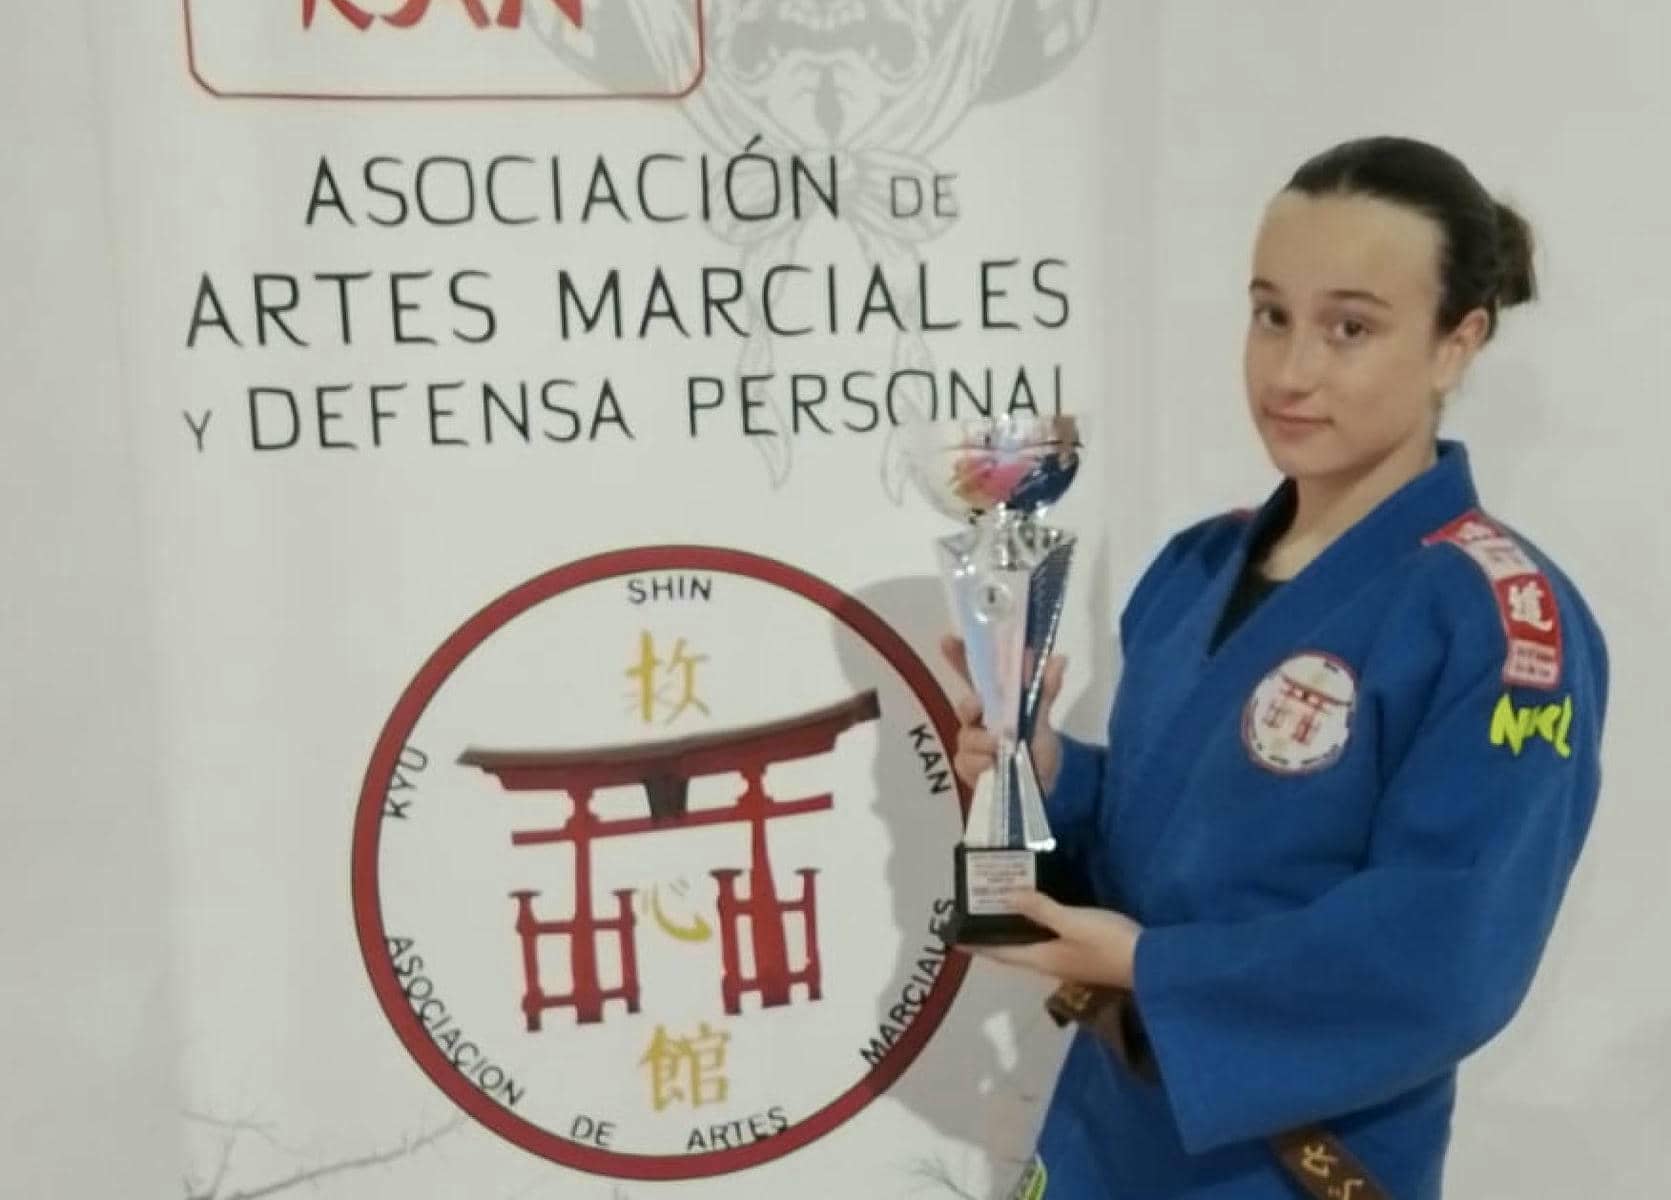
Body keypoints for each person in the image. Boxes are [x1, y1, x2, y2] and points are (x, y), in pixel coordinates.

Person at [942, 135, 1609, 1199]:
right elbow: (1183, 833)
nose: (1291, 372)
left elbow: (1445, 953)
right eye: (1271, 315)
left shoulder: (1499, 619)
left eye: (1351, 328)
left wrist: (1150, 968)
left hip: (1298, 1160)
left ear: (1457, 342)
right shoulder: (1197, 563)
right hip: (1106, 1126)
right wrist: (1050, 774)